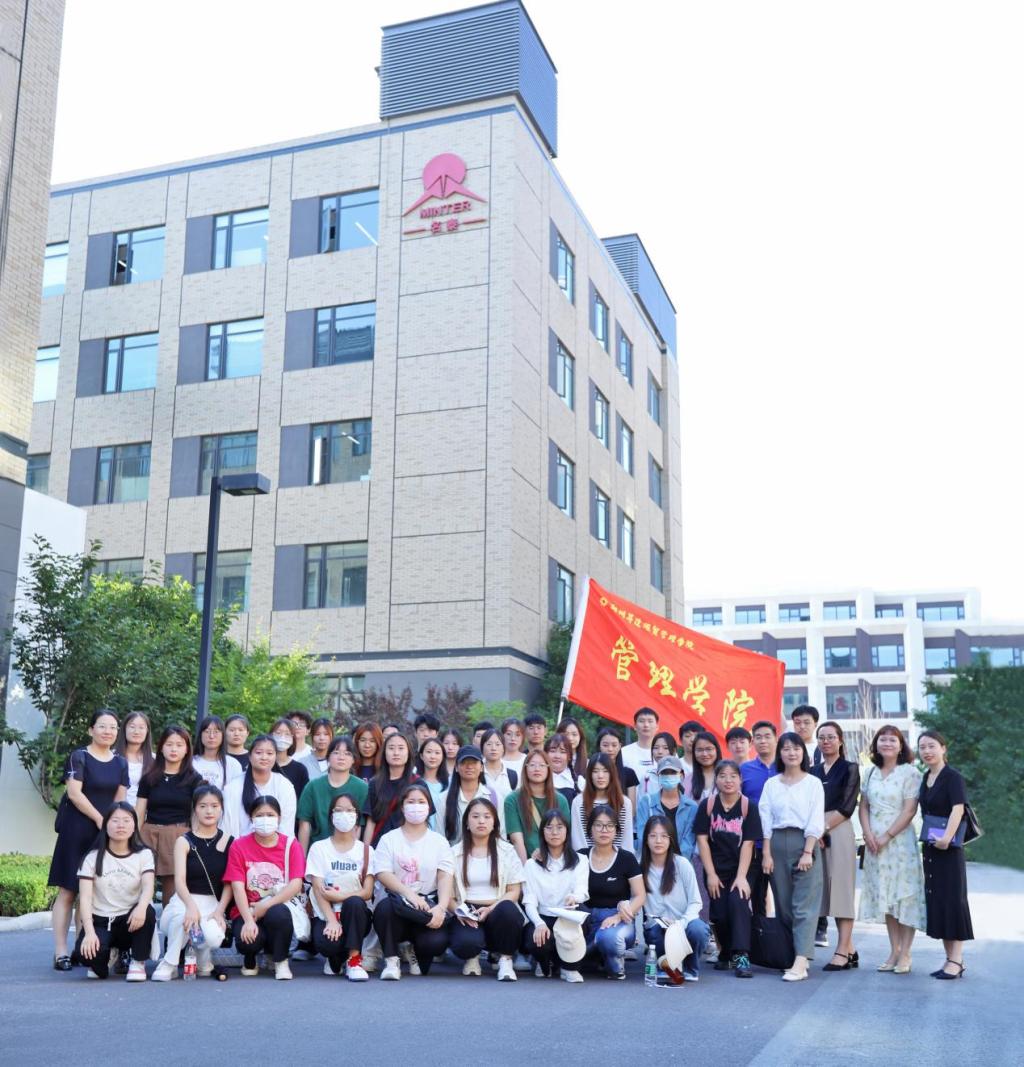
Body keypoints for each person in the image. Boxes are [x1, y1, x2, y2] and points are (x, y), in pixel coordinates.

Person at [48, 709, 129, 971]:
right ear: (91, 729)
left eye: (113, 727)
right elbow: (74, 793)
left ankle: (82, 947)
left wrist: (113, 825)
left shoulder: (121, 763)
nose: (108, 731)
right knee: (68, 890)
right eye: (102, 726)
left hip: (104, 833)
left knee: (92, 893)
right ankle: (61, 951)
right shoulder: (79, 756)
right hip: (76, 830)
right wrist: (99, 818)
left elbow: (120, 800)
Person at [858, 725, 925, 973]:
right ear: (876, 745)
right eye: (882, 740)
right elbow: (863, 806)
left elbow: (909, 810)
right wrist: (868, 834)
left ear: (900, 745)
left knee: (904, 896)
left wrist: (887, 836)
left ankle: (906, 953)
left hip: (900, 843)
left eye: (892, 740)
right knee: (886, 897)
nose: (887, 744)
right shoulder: (870, 772)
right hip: (874, 844)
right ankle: (893, 951)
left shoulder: (910, 772)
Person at [370, 783, 455, 980]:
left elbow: (445, 876)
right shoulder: (389, 839)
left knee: (435, 943)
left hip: (426, 908)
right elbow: (383, 872)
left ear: (429, 807)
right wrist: (409, 894)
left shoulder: (439, 842)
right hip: (397, 904)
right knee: (384, 909)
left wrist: (441, 907)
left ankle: (414, 949)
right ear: (402, 807)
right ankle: (391, 959)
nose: (416, 806)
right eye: (411, 802)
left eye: (421, 802)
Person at [759, 732, 825, 981]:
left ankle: (801, 960)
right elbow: (765, 818)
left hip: (804, 842)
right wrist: (766, 853)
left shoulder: (812, 783)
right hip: (776, 843)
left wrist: (808, 851)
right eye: (786, 748)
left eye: (796, 748)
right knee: (784, 905)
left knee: (804, 905)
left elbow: (816, 818)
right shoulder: (771, 784)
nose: (791, 753)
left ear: (803, 752)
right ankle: (792, 955)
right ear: (780, 753)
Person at [152, 784, 233, 981]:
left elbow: (230, 883)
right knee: (184, 919)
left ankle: (202, 956)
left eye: (214, 806)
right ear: (195, 809)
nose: (209, 811)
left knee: (214, 936)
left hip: (213, 903)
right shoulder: (184, 841)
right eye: (203, 806)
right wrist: (190, 906)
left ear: (221, 809)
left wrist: (220, 911)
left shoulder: (229, 842)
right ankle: (170, 963)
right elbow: (179, 880)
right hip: (184, 899)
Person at [225, 795, 305, 980]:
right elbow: (237, 886)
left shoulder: (291, 845)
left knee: (279, 914)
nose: (265, 819)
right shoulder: (239, 845)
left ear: (279, 818)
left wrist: (265, 906)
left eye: (270, 815)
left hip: (277, 905)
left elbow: (296, 884)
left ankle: (280, 960)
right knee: (248, 941)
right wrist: (248, 920)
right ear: (251, 818)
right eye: (260, 815)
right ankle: (250, 957)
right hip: (247, 909)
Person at [694, 759, 761, 978]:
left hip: (743, 867)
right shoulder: (708, 805)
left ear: (740, 779)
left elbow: (748, 844)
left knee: (738, 903)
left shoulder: (748, 806)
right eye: (722, 776)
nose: (728, 780)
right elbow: (702, 841)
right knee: (719, 912)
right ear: (716, 779)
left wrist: (741, 877)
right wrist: (711, 874)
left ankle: (742, 956)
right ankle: (726, 952)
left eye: (733, 776)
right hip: (716, 868)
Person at [74, 802, 156, 981]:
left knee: (148, 912)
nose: (121, 825)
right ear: (105, 825)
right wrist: (89, 932)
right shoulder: (92, 858)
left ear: (134, 826)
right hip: (101, 921)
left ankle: (138, 961)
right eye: (115, 820)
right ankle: (108, 954)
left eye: (127, 820)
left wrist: (141, 907)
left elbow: (148, 886)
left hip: (130, 920)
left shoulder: (144, 855)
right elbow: (85, 899)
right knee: (86, 957)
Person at [450, 798, 529, 980]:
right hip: (467, 909)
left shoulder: (507, 851)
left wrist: (491, 909)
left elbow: (514, 891)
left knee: (509, 911)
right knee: (465, 943)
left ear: (494, 823)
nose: (481, 821)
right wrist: (459, 912)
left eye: (487, 817)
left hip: (497, 908)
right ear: (467, 823)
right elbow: (447, 894)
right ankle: (472, 957)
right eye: (475, 816)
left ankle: (505, 959)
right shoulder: (454, 852)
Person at [918, 729, 973, 979]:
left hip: (949, 849)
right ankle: (950, 959)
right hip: (931, 848)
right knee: (939, 901)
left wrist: (947, 838)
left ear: (943, 748)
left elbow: (957, 809)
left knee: (953, 901)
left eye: (932, 746)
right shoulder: (926, 777)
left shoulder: (953, 777)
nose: (927, 751)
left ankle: (956, 960)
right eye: (922, 747)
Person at [306, 792, 374, 980]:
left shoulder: (366, 851)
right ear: (331, 816)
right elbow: (318, 889)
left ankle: (354, 960)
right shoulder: (319, 848)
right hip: (327, 913)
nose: (344, 815)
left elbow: (367, 892)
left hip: (355, 915)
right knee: (328, 944)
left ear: (357, 816)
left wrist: (340, 897)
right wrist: (332, 921)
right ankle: (335, 958)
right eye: (339, 810)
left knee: (355, 902)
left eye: (350, 810)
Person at [811, 721, 860, 971]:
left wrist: (823, 827)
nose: (826, 741)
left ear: (840, 740)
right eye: (821, 737)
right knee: (822, 891)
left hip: (838, 829)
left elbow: (848, 806)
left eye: (831, 737)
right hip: (815, 831)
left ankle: (841, 951)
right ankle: (850, 949)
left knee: (842, 890)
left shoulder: (850, 768)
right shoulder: (812, 771)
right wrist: (814, 830)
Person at [136, 724, 203, 902]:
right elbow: (140, 811)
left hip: (178, 835)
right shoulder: (149, 777)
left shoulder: (194, 779)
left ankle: (169, 920)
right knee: (140, 883)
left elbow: (196, 814)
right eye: (169, 744)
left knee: (172, 889)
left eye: (179, 745)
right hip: (148, 833)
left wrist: (195, 840)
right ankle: (142, 918)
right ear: (161, 747)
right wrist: (133, 837)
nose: (174, 749)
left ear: (187, 749)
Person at [641, 815, 710, 981]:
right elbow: (633, 900)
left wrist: (680, 923)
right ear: (646, 840)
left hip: (683, 924)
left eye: (664, 836)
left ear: (671, 839)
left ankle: (690, 968)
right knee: (654, 932)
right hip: (657, 926)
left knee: (699, 930)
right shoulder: (640, 867)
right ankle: (665, 965)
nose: (658, 841)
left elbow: (696, 902)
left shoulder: (682, 864)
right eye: (653, 836)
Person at [523, 809, 590, 982]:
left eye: (560, 827)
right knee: (535, 939)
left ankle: (569, 967)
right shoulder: (531, 865)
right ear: (542, 832)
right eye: (549, 827)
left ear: (567, 831)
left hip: (567, 915)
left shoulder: (580, 860)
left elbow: (582, 890)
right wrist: (538, 923)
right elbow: (529, 900)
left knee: (582, 915)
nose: (554, 832)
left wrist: (574, 898)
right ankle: (545, 962)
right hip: (543, 916)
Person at [581, 804, 646, 979]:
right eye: (598, 825)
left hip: (619, 920)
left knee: (607, 939)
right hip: (588, 920)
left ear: (616, 830)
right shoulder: (580, 856)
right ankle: (595, 954)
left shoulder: (627, 858)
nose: (604, 830)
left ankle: (614, 961)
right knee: (575, 956)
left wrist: (618, 917)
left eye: (610, 825)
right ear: (590, 829)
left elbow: (640, 895)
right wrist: (538, 854)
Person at [297, 735, 369, 849]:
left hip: (349, 851)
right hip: (318, 849)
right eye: (336, 752)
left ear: (353, 759)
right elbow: (304, 824)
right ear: (328, 757)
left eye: (347, 753)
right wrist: (303, 857)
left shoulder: (362, 788)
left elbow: (358, 825)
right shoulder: (313, 786)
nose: (341, 757)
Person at [222, 735, 298, 838]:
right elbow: (228, 828)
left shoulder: (284, 786)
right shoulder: (233, 788)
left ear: (275, 757)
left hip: (276, 846)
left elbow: (286, 827)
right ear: (249, 756)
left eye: (269, 753)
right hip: (240, 846)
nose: (264, 757)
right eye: (258, 753)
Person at [504, 749, 571, 863]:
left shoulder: (561, 800)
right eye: (532, 765)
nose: (537, 769)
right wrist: (526, 867)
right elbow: (516, 839)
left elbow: (565, 836)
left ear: (548, 769)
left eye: (542, 765)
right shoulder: (512, 800)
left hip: (556, 862)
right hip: (527, 861)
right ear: (525, 768)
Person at [364, 732, 428, 846]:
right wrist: (366, 850)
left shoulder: (418, 783)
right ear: (384, 753)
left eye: (401, 748)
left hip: (409, 845)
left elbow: (424, 820)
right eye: (391, 748)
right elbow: (371, 821)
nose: (396, 753)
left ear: (408, 752)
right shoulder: (375, 783)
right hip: (380, 846)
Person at [635, 756, 698, 860]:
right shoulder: (646, 802)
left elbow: (688, 842)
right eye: (664, 773)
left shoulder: (691, 806)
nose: (668, 776)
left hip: (680, 863)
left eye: (673, 772)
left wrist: (676, 862)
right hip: (652, 861)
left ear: (681, 775)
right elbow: (642, 835)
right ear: (658, 776)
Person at [570, 754, 634, 854]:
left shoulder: (624, 803)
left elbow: (627, 840)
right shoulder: (578, 802)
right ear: (589, 775)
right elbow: (578, 840)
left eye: (605, 771)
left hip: (617, 859)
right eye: (595, 771)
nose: (600, 776)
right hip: (586, 859)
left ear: (612, 774)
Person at [440, 745, 500, 843]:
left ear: (481, 767)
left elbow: (500, 833)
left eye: (474, 762)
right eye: (464, 762)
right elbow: (440, 837)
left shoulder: (493, 797)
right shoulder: (443, 799)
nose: (469, 766)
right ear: (456, 767)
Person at [193, 715, 244, 792]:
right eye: (207, 731)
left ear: (223, 735)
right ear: (200, 735)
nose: (211, 736)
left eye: (216, 732)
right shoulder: (191, 762)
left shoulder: (233, 764)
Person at [115, 711, 154, 807]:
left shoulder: (155, 759)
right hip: (117, 811)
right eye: (132, 727)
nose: (136, 732)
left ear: (147, 731)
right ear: (124, 729)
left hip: (146, 812)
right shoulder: (112, 756)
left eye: (141, 727)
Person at [597, 727, 639, 813]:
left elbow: (632, 810)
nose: (610, 749)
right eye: (605, 745)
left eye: (614, 745)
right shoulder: (591, 772)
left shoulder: (629, 773)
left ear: (620, 746)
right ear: (599, 746)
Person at [270, 717, 311, 801]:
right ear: (271, 735)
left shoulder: (300, 769)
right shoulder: (264, 765)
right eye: (278, 733)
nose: (282, 737)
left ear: (293, 738)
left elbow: (304, 800)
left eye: (287, 734)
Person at [621, 707, 659, 797]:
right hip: (630, 803)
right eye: (641, 721)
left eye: (650, 721)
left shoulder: (667, 752)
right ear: (635, 726)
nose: (646, 725)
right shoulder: (623, 752)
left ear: (657, 726)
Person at [415, 737, 448, 830]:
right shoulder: (413, 781)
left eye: (437, 753)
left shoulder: (449, 784)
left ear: (443, 756)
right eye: (429, 752)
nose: (433, 756)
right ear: (421, 756)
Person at [741, 721, 778, 803]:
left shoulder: (787, 767)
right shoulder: (743, 769)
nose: (763, 741)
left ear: (776, 739)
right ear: (753, 742)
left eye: (767, 737)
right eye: (758, 737)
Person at [480, 728, 518, 806]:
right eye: (489, 744)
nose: (493, 748)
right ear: (482, 748)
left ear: (503, 748)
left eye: (498, 744)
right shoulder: (477, 773)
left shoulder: (512, 775)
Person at [288, 711, 323, 780]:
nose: (297, 727)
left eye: (301, 724)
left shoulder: (312, 753)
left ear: (308, 731)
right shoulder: (282, 752)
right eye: (293, 724)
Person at [545, 733, 579, 803]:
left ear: (569, 757)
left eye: (562, 752)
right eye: (553, 751)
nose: (557, 756)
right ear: (545, 754)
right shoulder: (537, 778)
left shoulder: (579, 782)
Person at [690, 731, 723, 801]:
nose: (704, 754)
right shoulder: (688, 779)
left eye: (709, 749)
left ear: (717, 750)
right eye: (700, 750)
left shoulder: (729, 777)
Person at [560, 716, 589, 786]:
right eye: (566, 734)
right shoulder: (550, 760)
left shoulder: (588, 764)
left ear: (580, 737)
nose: (570, 738)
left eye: (574, 734)